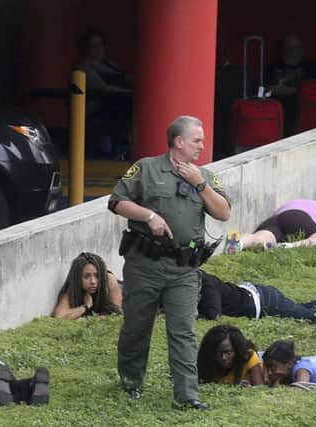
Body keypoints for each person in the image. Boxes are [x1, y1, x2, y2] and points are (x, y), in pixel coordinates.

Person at [108, 115, 231, 409]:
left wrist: (200, 184)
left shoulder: (205, 176)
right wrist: (149, 216)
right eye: (196, 140)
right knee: (137, 325)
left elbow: (224, 213)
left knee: (184, 331)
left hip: (184, 268)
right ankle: (130, 380)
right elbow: (116, 201)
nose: (202, 146)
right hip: (145, 264)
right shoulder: (146, 168)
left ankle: (187, 396)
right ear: (179, 142)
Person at [197, 270, 316, 322]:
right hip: (259, 294)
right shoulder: (203, 280)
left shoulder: (206, 284)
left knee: (310, 316)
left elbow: (213, 315)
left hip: (263, 302)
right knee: (306, 308)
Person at [223, 198, 316, 254]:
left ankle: (239, 242)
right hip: (297, 217)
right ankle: (286, 246)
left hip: (276, 219)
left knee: (260, 237)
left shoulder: (296, 201)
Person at [76, 30, 133, 158]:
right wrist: (128, 92)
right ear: (86, 48)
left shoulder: (109, 64)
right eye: (94, 45)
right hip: (96, 109)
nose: (99, 49)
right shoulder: (84, 67)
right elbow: (102, 88)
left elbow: (125, 78)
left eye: (101, 45)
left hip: (118, 107)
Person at [264, 34, 316, 135]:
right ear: (283, 50)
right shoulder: (272, 67)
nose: (292, 51)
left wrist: (289, 90)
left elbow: (313, 92)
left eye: (295, 48)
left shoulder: (312, 67)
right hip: (276, 117)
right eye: (288, 48)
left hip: (303, 115)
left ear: (302, 49)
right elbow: (266, 91)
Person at [53, 252, 122, 319]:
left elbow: (118, 314)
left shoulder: (109, 279)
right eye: (86, 276)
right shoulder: (73, 288)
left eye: (97, 276)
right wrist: (85, 306)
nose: (93, 281)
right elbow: (60, 316)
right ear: (77, 277)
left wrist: (87, 319)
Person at [197, 325, 264, 386]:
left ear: (237, 350)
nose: (224, 357)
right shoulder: (205, 361)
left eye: (228, 352)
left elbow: (259, 388)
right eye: (218, 352)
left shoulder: (248, 357)